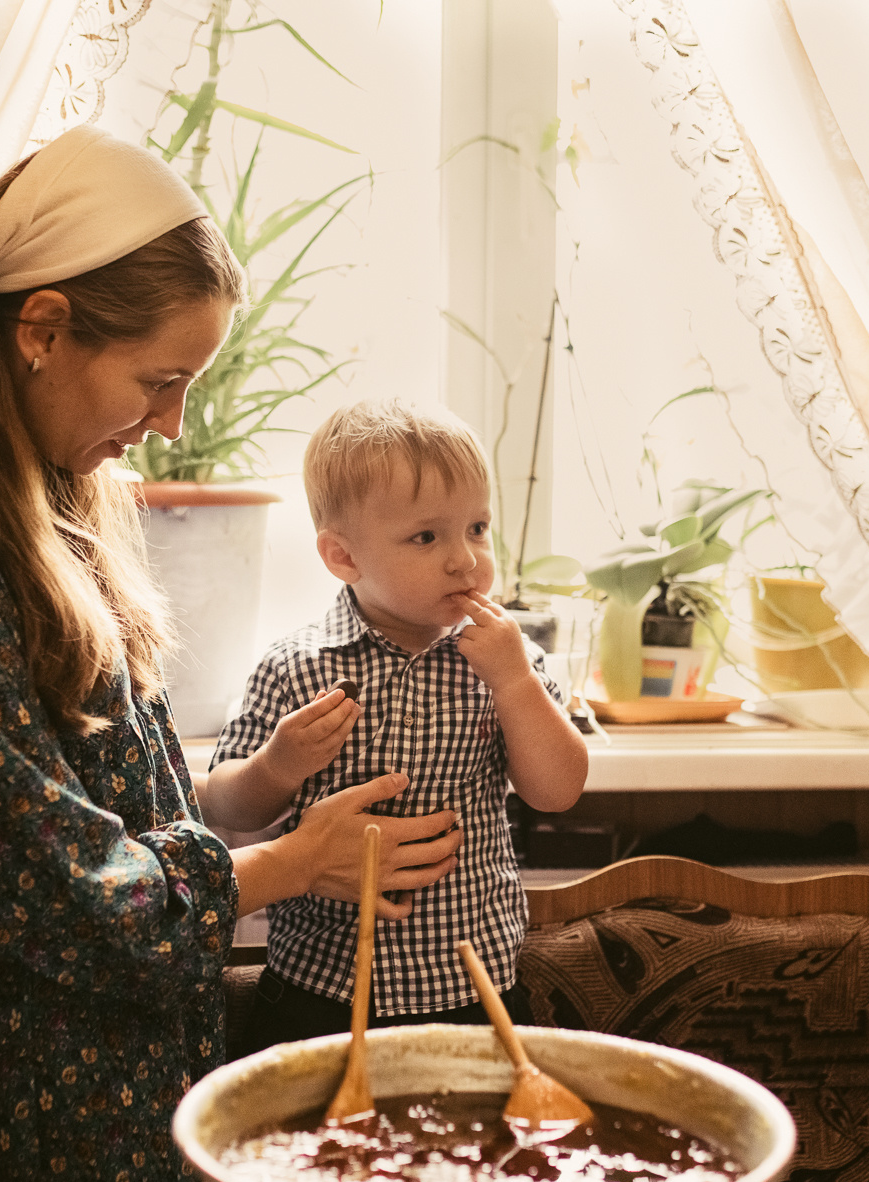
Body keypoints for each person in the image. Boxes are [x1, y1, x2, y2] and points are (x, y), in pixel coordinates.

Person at [0, 129, 463, 1182]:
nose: (169, 422)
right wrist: (296, 862)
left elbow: (109, 811)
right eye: (158, 379)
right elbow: (52, 882)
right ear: (40, 329)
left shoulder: (36, 498)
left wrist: (263, 800)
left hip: (80, 1083)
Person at [205, 398, 590, 1051]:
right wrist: (277, 765)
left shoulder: (505, 660)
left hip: (475, 990)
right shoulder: (297, 667)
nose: (465, 560)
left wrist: (517, 683)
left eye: (477, 527)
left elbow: (558, 791)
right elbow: (225, 807)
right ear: (342, 556)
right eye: (426, 536)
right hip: (318, 993)